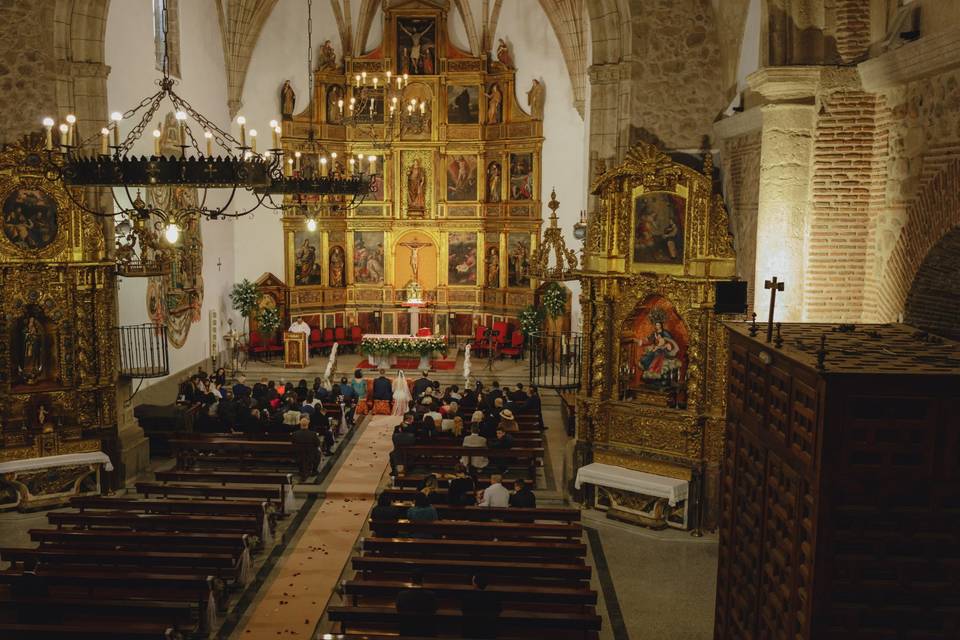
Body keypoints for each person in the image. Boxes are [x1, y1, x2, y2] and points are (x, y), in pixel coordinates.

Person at [395, 570, 437, 637]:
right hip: (426, 631)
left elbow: (399, 610)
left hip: (406, 630)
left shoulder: (402, 595)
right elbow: (434, 610)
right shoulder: (431, 595)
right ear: (423, 580)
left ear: (411, 580)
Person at [461, 573, 502, 639]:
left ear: (475, 583)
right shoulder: (494, 598)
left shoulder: (467, 597)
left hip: (472, 631)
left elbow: (464, 612)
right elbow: (498, 612)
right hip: (489, 631)